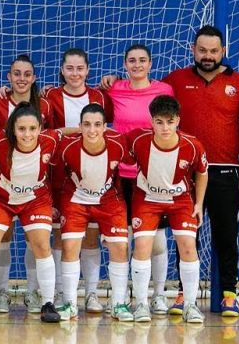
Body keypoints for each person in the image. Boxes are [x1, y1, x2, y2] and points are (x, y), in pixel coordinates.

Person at [162, 25, 239, 316]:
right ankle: (184, 294)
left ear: (222, 51)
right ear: (193, 50)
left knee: (226, 237)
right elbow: (145, 94)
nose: (208, 56)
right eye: (202, 50)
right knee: (186, 237)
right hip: (186, 173)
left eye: (214, 51)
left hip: (225, 172)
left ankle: (228, 295)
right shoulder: (175, 80)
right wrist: (113, 84)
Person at [99, 44, 174, 315]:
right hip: (123, 174)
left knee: (156, 240)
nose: (137, 65)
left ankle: (158, 295)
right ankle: (121, 296)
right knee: (122, 238)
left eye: (143, 60)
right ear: (125, 64)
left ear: (151, 64)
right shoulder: (114, 88)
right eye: (132, 60)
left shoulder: (165, 90)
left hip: (153, 174)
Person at [0, 102, 62, 323]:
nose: (27, 134)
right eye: (21, 129)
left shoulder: (50, 139)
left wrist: (85, 128)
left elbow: (65, 131)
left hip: (35, 199)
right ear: (12, 129)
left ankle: (47, 303)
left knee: (41, 244)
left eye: (33, 129)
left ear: (40, 128)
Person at [126, 95, 208, 324]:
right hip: (146, 199)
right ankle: (141, 303)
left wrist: (199, 203)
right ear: (151, 121)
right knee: (142, 245)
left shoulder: (192, 145)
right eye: (159, 122)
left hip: (180, 200)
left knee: (188, 247)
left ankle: (190, 306)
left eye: (170, 122)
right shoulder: (137, 140)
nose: (165, 127)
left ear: (178, 121)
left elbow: (202, 172)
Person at [45, 48, 112, 313]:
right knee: (64, 236)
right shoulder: (50, 96)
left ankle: (92, 294)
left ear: (88, 70)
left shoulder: (99, 97)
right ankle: (63, 293)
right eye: (70, 68)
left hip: (94, 175)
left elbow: (107, 132)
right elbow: (46, 132)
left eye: (80, 68)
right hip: (60, 174)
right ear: (62, 70)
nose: (75, 73)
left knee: (91, 236)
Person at [53, 103, 133, 321]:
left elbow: (138, 162)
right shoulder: (67, 147)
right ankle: (69, 303)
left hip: (110, 200)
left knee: (120, 247)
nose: (92, 130)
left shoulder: (119, 143)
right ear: (79, 126)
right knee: (69, 246)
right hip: (76, 200)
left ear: (105, 126)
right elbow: (56, 171)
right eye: (86, 125)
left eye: (97, 124)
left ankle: (118, 304)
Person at [0, 54, 52, 312]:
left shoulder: (45, 104)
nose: (21, 79)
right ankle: (0, 292)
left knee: (35, 238)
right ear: (9, 77)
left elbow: (51, 138)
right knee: (2, 238)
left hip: (35, 187)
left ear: (34, 78)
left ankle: (34, 292)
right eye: (16, 74)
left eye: (27, 74)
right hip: (4, 185)